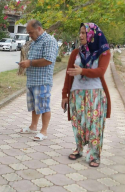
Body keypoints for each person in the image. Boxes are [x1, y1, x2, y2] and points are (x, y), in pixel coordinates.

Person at [61, 23, 111, 167]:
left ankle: (95, 155)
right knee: (78, 124)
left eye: (84, 33)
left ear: (93, 35)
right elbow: (68, 75)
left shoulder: (104, 52)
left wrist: (82, 71)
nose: (81, 35)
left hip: (95, 94)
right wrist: (65, 94)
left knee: (94, 125)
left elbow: (101, 71)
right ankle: (79, 149)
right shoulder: (76, 53)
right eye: (80, 32)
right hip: (76, 93)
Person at [18, 20, 58, 141]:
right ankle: (33, 126)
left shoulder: (49, 41)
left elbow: (48, 59)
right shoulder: (35, 42)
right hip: (32, 80)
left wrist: (29, 63)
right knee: (35, 106)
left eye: (31, 32)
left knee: (44, 106)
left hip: (42, 80)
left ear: (39, 29)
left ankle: (44, 131)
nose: (30, 35)